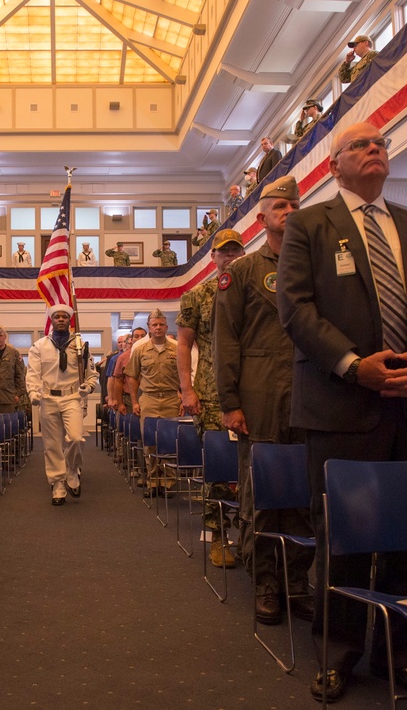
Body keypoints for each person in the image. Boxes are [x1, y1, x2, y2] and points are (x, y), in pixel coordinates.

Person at [277, 121, 407, 704]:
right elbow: (297, 311)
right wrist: (355, 365)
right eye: (360, 144)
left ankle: (403, 655)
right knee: (343, 540)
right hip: (343, 405)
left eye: (381, 143)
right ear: (334, 165)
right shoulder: (308, 224)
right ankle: (340, 654)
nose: (375, 148)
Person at [213, 176, 314, 625]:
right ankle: (267, 582)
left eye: (293, 203)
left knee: (306, 496)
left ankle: (297, 582)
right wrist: (229, 402)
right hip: (260, 398)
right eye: (278, 205)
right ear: (262, 217)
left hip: (311, 399)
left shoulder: (318, 266)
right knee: (264, 496)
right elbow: (225, 342)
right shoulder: (244, 272)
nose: (288, 210)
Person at [176, 229, 245, 568]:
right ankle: (219, 537)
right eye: (224, 251)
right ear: (213, 257)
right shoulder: (198, 295)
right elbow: (184, 345)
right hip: (212, 392)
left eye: (235, 249)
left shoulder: (256, 289)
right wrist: (187, 389)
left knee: (254, 467)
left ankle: (249, 535)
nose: (230, 255)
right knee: (219, 467)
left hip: (253, 389)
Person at [26, 304, 97, 505]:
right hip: (48, 399)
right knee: (51, 444)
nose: (60, 319)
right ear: (51, 320)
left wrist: (88, 387)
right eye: (56, 316)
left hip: (72, 397)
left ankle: (72, 468)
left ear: (69, 320)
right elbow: (32, 373)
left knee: (75, 438)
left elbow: (92, 375)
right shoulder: (40, 346)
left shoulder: (81, 345)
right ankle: (57, 483)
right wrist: (33, 391)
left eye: (64, 317)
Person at [126, 310, 181, 498]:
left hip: (171, 399)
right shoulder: (140, 349)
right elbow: (132, 377)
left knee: (170, 442)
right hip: (148, 399)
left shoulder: (177, 348)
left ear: (166, 327)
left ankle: (167, 482)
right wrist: (134, 400)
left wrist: (183, 397)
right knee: (150, 443)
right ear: (149, 328)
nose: (158, 328)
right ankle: (152, 481)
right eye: (154, 325)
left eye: (161, 324)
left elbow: (184, 375)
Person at [0, 325, 27, 414]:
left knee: (7, 424)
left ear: (5, 337)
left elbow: (20, 374)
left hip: (8, 396)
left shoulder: (13, 353)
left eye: (1, 335)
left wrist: (18, 394)